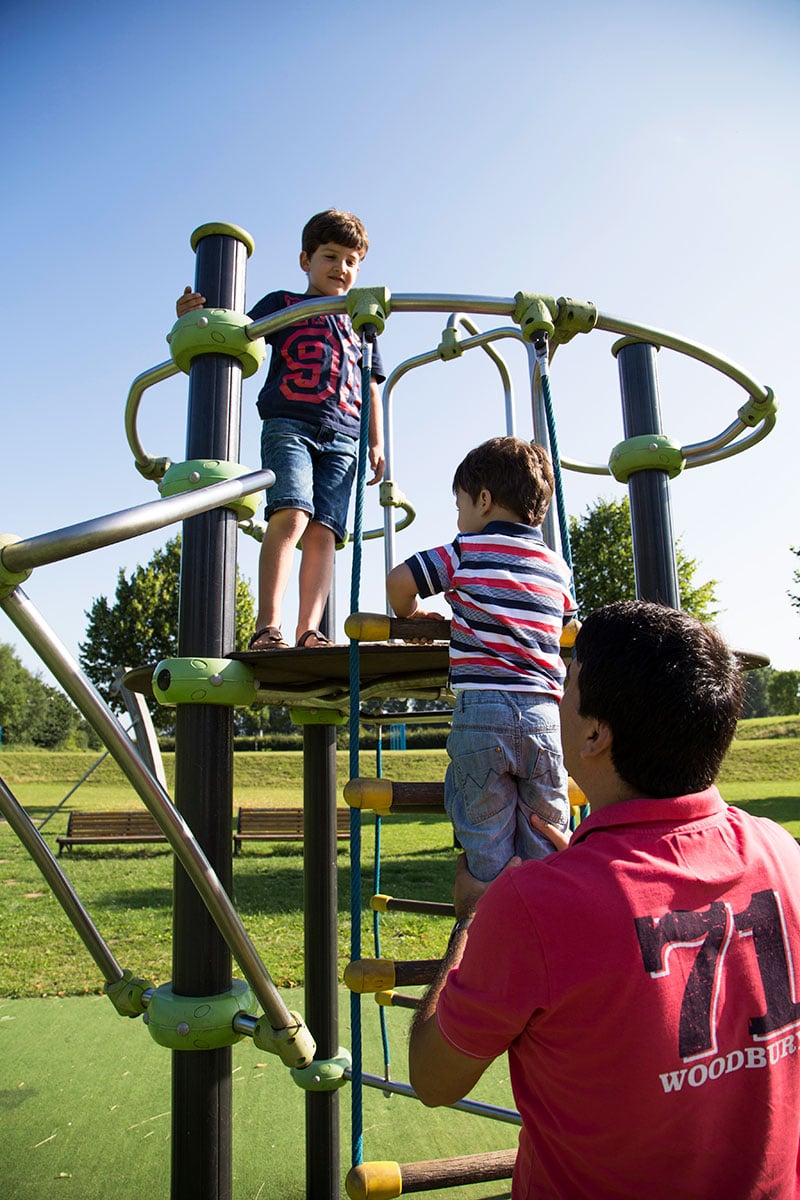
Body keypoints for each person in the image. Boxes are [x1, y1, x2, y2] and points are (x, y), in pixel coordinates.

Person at [409, 601, 800, 1200]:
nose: (555, 693)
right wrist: (589, 877)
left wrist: (473, 919)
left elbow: (434, 1077)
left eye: (568, 677)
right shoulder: (782, 854)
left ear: (595, 732)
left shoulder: (533, 905)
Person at [177, 209, 385, 649]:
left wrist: (378, 442)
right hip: (290, 423)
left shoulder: (361, 322)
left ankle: (309, 629)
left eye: (351, 261)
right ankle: (267, 627)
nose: (340, 268)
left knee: (325, 531)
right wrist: (194, 316)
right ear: (305, 260)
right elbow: (231, 334)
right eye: (330, 256)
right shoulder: (283, 305)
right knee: (292, 512)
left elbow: (370, 385)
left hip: (345, 436)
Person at [386, 436, 576, 881]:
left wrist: (412, 614)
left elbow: (399, 582)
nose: (459, 517)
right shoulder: (555, 566)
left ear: (484, 500)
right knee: (546, 832)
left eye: (460, 506)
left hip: (483, 711)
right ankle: (544, 919)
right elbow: (568, 625)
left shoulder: (463, 552)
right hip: (546, 716)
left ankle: (490, 921)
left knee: (485, 833)